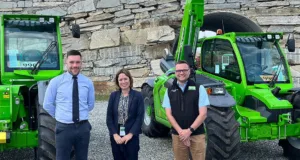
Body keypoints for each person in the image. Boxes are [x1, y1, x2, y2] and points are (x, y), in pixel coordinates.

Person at [43, 50, 95, 160]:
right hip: (64, 128)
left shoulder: (88, 82)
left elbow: (90, 105)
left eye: (77, 62)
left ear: (81, 63)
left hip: (83, 128)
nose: (75, 65)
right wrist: (60, 116)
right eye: (72, 62)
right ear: (66, 62)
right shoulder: (56, 82)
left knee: (82, 158)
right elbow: (47, 104)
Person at [162, 60, 209, 160]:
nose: (181, 73)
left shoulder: (199, 88)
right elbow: (168, 114)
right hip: (178, 135)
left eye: (184, 70)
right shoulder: (169, 90)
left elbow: (203, 114)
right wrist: (181, 132)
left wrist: (189, 131)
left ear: (189, 71)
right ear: (175, 72)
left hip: (197, 134)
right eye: (178, 70)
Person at [106, 68, 144, 160]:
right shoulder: (113, 96)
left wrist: (130, 134)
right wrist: (114, 134)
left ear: (130, 80)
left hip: (131, 135)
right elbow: (109, 117)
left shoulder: (138, 96)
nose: (123, 82)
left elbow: (139, 117)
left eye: (125, 79)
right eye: (120, 80)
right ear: (117, 82)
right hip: (116, 135)